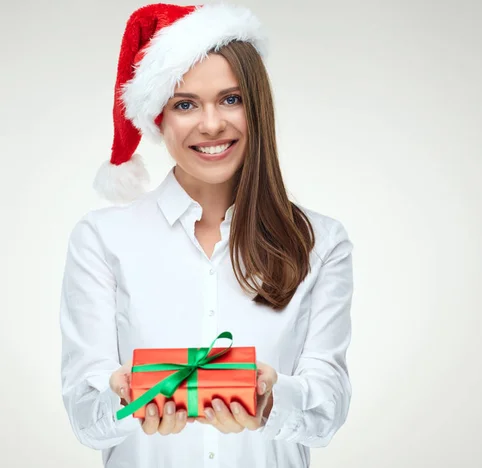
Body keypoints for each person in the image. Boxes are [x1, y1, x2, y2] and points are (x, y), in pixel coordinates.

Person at [59, 3, 354, 467]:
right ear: (159, 117)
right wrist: (125, 400)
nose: (212, 124)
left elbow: (327, 408)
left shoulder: (320, 242)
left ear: (257, 108)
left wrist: (271, 400)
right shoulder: (102, 239)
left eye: (231, 99)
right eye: (185, 104)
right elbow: (84, 413)